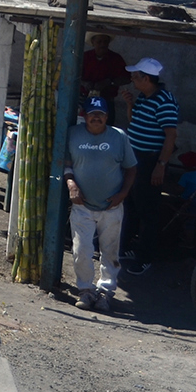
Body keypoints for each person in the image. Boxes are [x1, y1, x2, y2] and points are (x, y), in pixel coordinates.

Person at [63, 97, 137, 313]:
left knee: (110, 252)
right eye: (92, 114)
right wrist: (71, 184)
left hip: (112, 207)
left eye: (101, 114)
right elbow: (66, 163)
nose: (96, 117)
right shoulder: (73, 134)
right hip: (82, 206)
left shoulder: (119, 136)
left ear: (107, 116)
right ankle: (85, 290)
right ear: (85, 115)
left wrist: (123, 194)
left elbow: (131, 169)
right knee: (81, 250)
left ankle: (105, 292)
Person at [118, 58, 178, 274]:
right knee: (131, 204)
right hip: (135, 158)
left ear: (146, 79)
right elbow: (134, 121)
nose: (132, 80)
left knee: (147, 210)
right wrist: (130, 104)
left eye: (135, 77)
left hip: (150, 160)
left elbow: (171, 135)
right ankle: (126, 247)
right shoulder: (144, 97)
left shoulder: (164, 101)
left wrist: (160, 165)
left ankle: (144, 257)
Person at [81, 33, 129, 111]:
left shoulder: (116, 58)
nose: (102, 44)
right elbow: (71, 75)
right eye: (99, 42)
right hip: (83, 98)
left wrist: (110, 82)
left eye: (105, 41)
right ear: (93, 42)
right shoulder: (84, 57)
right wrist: (84, 83)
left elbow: (127, 78)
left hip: (107, 100)